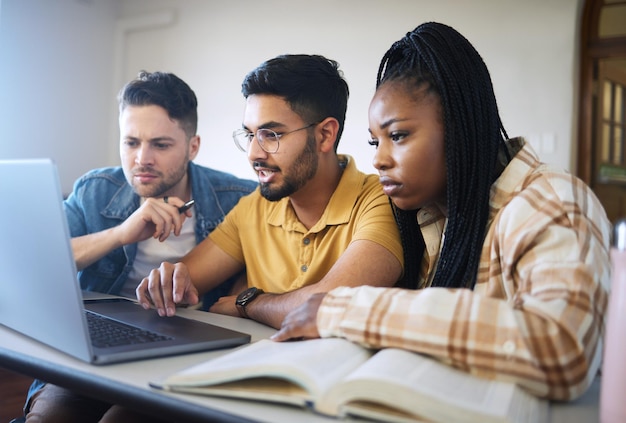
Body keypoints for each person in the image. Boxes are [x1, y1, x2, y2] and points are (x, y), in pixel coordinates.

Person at [272, 22, 611, 402]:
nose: (378, 159)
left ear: (459, 126)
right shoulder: (430, 215)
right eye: (374, 140)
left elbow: (561, 350)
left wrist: (347, 311)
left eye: (397, 135)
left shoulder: (551, 201)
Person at [21, 71, 257, 423]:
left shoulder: (239, 200)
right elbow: (38, 262)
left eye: (160, 145)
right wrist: (119, 234)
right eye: (131, 142)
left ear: (193, 146)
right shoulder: (96, 189)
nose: (141, 159)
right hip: (98, 349)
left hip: (188, 356)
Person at [137, 54, 404, 330]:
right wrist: (167, 282)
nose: (254, 154)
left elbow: (329, 307)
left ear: (325, 135)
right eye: (250, 135)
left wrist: (248, 303)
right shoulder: (253, 208)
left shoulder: (377, 199)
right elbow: (179, 284)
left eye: (271, 135)